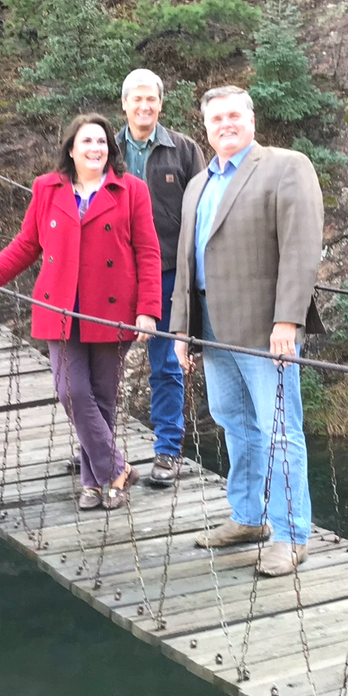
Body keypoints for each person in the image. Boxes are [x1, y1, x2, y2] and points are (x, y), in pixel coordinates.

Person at [0, 114, 163, 511]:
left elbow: (148, 252)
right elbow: (26, 244)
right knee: (72, 391)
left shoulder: (132, 190)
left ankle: (96, 483)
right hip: (60, 308)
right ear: (71, 148)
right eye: (87, 141)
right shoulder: (47, 188)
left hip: (113, 310)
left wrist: (148, 311)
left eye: (103, 142)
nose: (96, 149)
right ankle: (117, 469)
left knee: (103, 397)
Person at [171, 86, 325, 576]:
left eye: (234, 115)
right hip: (211, 327)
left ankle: (291, 534)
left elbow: (301, 249)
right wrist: (181, 331)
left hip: (264, 329)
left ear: (251, 119)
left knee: (280, 431)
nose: (225, 125)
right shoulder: (198, 183)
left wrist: (288, 321)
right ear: (206, 127)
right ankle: (249, 517)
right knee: (235, 426)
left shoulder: (286, 166)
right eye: (216, 119)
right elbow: (186, 262)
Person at [115, 69, 205, 488]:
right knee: (101, 361)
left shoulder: (183, 151)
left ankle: (168, 451)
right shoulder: (105, 149)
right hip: (114, 273)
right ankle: (100, 450)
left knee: (167, 364)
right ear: (125, 104)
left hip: (168, 270)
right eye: (137, 99)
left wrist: (197, 274)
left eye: (151, 99)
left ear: (161, 105)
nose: (144, 106)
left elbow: (204, 213)